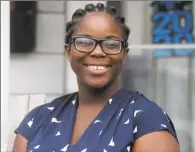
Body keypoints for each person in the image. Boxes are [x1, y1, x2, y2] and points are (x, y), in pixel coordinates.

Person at [13, 3, 180, 152]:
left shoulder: (147, 120)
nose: (98, 52)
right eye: (85, 42)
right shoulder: (37, 121)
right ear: (68, 51)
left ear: (124, 54)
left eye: (112, 44)